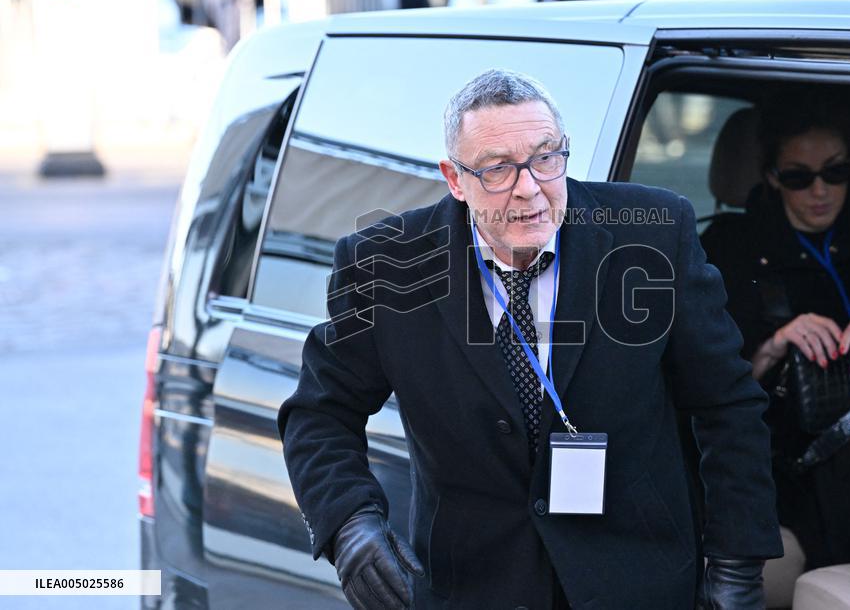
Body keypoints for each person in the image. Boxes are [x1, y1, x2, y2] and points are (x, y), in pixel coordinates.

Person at [278, 69, 782, 609]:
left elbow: (727, 406)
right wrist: (349, 521)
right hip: (469, 589)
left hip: (638, 583)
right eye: (497, 169)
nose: (529, 187)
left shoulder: (655, 234)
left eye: (546, 158)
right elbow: (320, 413)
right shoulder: (388, 264)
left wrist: (735, 566)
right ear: (454, 179)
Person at [700, 99, 850, 570]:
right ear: (770, 177)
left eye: (836, 172)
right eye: (798, 177)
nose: (821, 190)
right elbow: (704, 377)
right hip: (795, 451)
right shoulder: (729, 250)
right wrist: (775, 341)